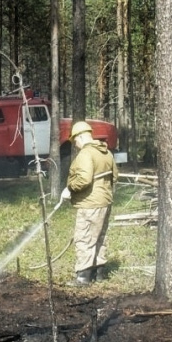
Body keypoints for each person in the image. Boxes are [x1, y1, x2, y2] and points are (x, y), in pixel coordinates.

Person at [61, 121, 119, 286]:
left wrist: (70, 188)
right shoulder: (106, 152)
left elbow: (84, 179)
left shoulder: (86, 154)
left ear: (81, 136)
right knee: (99, 236)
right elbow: (115, 176)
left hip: (90, 203)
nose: (75, 144)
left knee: (84, 238)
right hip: (105, 201)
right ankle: (99, 273)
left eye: (75, 140)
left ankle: (83, 277)